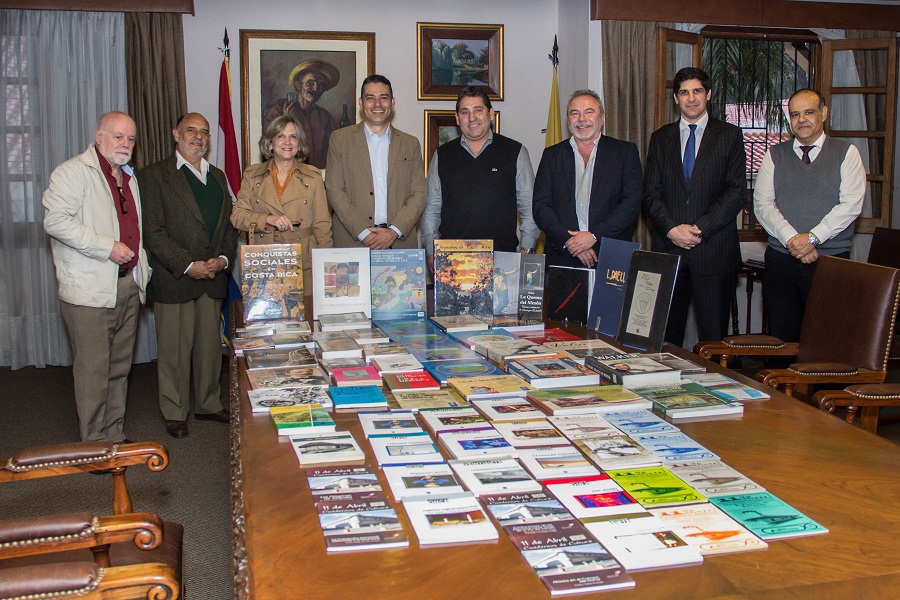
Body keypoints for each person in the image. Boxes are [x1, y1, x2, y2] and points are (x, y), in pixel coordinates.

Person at [43, 111, 151, 443]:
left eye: (130, 138)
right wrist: (107, 247)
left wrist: (142, 270)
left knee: (119, 369)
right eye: (118, 136)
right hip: (89, 292)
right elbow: (55, 222)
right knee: (93, 372)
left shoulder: (129, 177)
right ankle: (94, 444)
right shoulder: (71, 172)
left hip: (127, 285)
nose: (125, 144)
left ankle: (114, 436)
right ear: (99, 135)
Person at [138, 112, 239, 439]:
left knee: (210, 348)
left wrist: (223, 259)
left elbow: (229, 226)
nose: (198, 137)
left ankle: (208, 403)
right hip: (176, 278)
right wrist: (188, 264)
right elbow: (153, 232)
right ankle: (174, 410)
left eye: (204, 132)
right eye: (191, 130)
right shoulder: (153, 176)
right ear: (175, 134)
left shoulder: (217, 176)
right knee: (174, 350)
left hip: (213, 277)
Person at [642, 67, 746, 347]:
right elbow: (650, 195)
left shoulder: (730, 135)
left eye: (697, 91)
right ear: (676, 98)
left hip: (714, 251)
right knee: (666, 339)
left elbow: (736, 192)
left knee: (714, 339)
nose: (691, 98)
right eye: (684, 92)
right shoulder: (660, 138)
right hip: (670, 250)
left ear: (708, 94)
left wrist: (700, 228)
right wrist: (672, 229)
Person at [753, 88, 865, 342]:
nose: (801, 119)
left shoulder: (846, 153)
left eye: (809, 112)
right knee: (781, 340)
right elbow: (762, 205)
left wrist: (813, 238)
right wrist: (795, 241)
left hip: (830, 261)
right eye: (795, 114)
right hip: (782, 261)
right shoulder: (774, 155)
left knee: (827, 340)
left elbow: (851, 204)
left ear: (823, 113)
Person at [422, 86, 539, 265]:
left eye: (478, 110)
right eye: (465, 112)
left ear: (490, 113)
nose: (472, 118)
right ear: (457, 118)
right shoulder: (442, 155)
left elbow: (529, 207)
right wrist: (431, 251)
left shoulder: (515, 152)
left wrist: (527, 249)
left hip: (502, 259)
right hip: (453, 261)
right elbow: (431, 209)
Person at [533, 89, 642, 269]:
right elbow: (540, 206)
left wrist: (593, 236)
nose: (582, 119)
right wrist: (570, 242)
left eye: (589, 112)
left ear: (602, 118)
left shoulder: (624, 152)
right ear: (568, 120)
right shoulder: (552, 155)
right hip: (563, 254)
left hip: (610, 254)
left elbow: (631, 202)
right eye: (574, 113)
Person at [231, 115, 333, 293]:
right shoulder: (252, 175)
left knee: (304, 310)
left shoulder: (313, 177)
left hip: (303, 264)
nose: (288, 142)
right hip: (264, 264)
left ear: (299, 144)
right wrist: (267, 219)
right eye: (281, 136)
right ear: (270, 143)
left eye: (293, 137)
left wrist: (326, 264)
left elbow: (322, 225)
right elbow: (237, 217)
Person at [325, 74, 427, 250]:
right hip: (353, 242)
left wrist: (393, 232)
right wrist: (364, 233)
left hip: (398, 244)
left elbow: (419, 193)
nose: (377, 104)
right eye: (370, 98)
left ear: (392, 102)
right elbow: (334, 190)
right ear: (361, 103)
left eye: (383, 98)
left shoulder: (410, 144)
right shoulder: (340, 140)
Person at [263, 60, 339, 169]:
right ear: (299, 85)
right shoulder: (280, 109)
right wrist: (284, 122)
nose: (316, 88)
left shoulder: (325, 117)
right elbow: (267, 146)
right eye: (310, 83)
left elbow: (333, 154)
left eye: (321, 84)